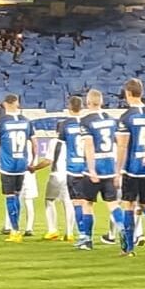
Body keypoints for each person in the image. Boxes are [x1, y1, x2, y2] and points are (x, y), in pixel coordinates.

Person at [115, 78, 145, 256]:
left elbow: (122, 146)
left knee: (128, 206)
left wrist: (118, 171)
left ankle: (128, 248)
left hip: (132, 168)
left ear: (127, 93)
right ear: (141, 93)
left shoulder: (126, 117)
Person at [80, 90, 121, 245]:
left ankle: (87, 240)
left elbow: (89, 146)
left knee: (87, 203)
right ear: (101, 102)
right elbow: (119, 143)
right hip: (110, 168)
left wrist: (91, 170)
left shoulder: (86, 121)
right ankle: (125, 234)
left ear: (88, 102)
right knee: (113, 204)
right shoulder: (111, 120)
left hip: (95, 167)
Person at [0, 94, 33, 243]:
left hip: (7, 165)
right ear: (17, 103)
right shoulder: (26, 121)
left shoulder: (0, 122)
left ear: (4, 104)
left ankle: (15, 231)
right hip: (22, 164)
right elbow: (34, 142)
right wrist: (32, 160)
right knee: (17, 195)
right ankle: (17, 228)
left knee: (10, 197)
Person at [57, 96, 95, 249]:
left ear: (69, 107)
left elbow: (61, 145)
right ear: (83, 106)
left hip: (73, 168)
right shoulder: (89, 122)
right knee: (88, 204)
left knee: (77, 203)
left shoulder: (65, 125)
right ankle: (89, 236)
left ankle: (83, 236)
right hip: (88, 168)